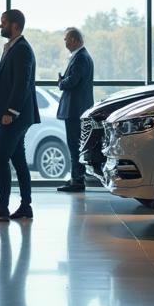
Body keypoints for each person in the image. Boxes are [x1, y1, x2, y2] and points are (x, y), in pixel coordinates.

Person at [0, 9, 40, 222]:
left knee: (0, 157)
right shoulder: (14, 47)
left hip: (16, 116)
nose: (0, 26)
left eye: (3, 22)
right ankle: (25, 205)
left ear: (14, 25)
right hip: (17, 115)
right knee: (18, 159)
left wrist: (11, 112)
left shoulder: (22, 49)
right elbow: (11, 82)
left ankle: (3, 206)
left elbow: (22, 85)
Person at [55, 26, 95, 193]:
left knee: (74, 145)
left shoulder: (80, 58)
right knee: (76, 144)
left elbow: (73, 81)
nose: (65, 44)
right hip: (78, 108)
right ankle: (77, 178)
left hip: (74, 110)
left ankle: (77, 180)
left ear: (74, 40)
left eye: (66, 40)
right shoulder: (83, 56)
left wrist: (61, 82)